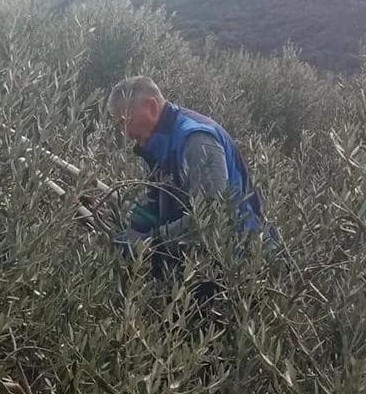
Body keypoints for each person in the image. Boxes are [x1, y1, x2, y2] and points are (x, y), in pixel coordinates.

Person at [107, 75, 268, 274]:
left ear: (151, 106)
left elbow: (212, 218)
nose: (126, 133)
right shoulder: (158, 142)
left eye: (126, 121)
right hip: (200, 265)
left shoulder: (196, 139)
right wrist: (131, 226)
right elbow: (160, 200)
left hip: (238, 268)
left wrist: (151, 242)